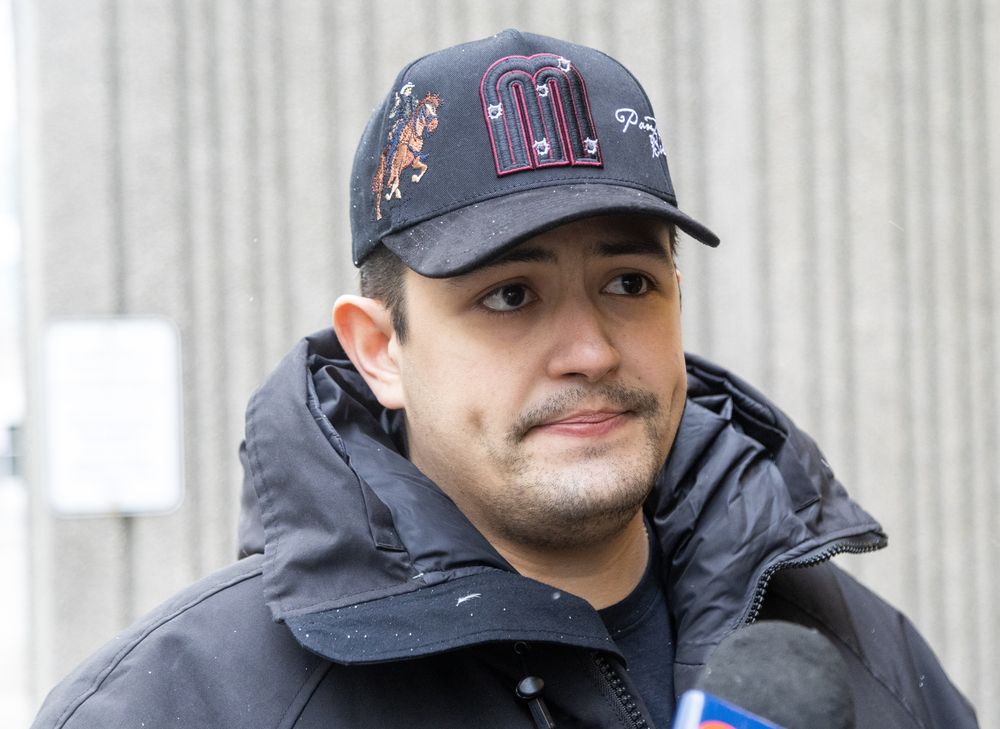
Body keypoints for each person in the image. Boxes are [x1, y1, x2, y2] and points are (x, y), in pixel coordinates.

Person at [32, 29, 977, 729]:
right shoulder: (182, 703)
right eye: (510, 295)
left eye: (628, 283)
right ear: (378, 348)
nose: (591, 350)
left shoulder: (866, 661)